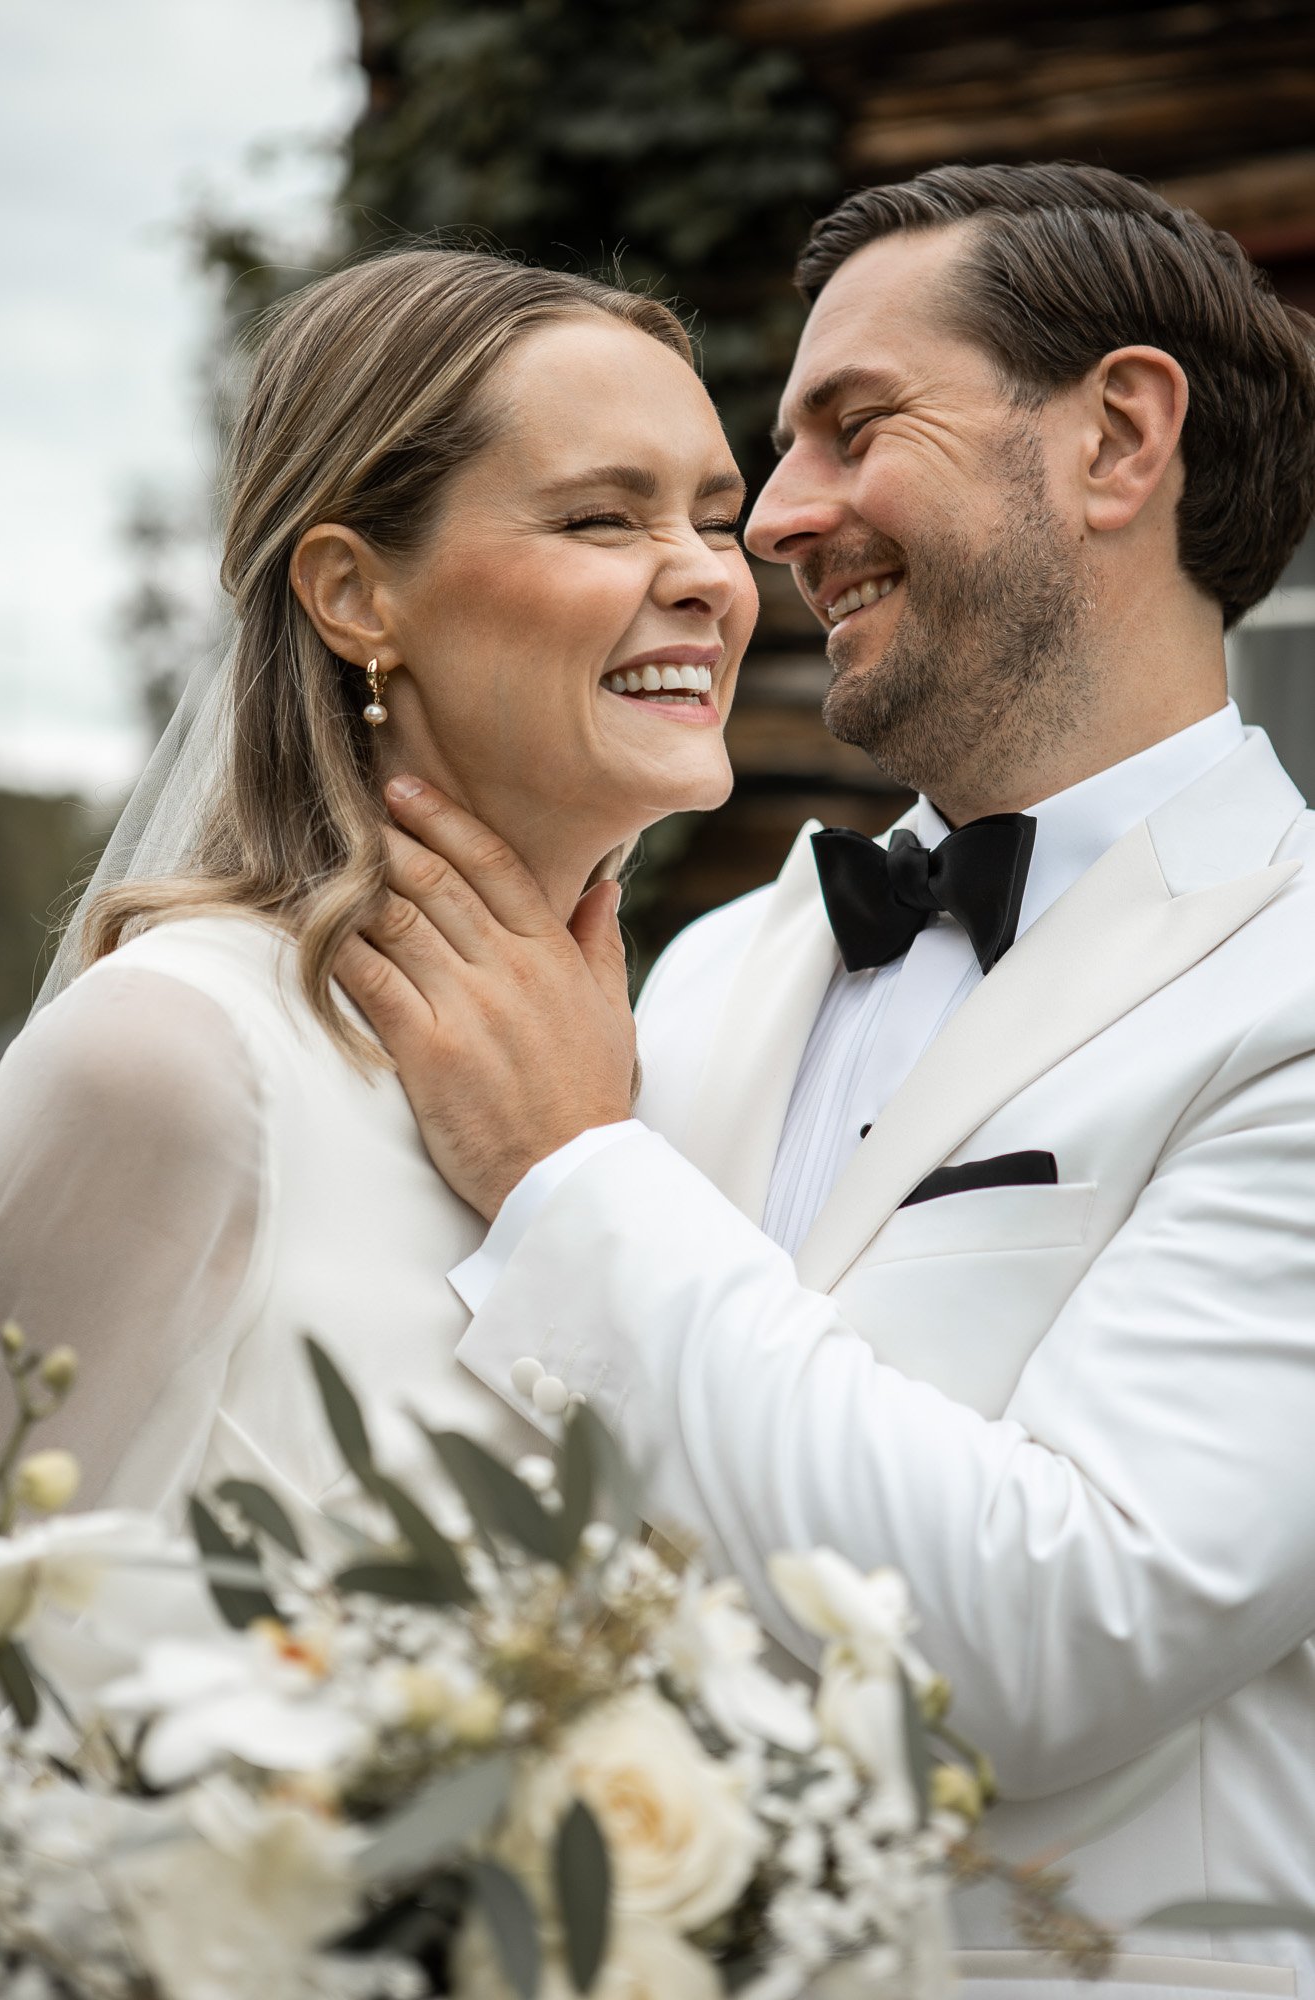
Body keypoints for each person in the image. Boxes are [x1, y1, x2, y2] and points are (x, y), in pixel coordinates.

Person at [338, 165, 1315, 1995]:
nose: (771, 521)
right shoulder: (707, 970)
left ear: (1115, 441)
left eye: (851, 426)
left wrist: (575, 1175)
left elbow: (1050, 1637)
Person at [0, 247, 756, 1532]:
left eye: (715, 517)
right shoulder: (169, 1057)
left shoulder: (637, 1079)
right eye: (603, 518)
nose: (709, 577)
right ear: (353, 592)